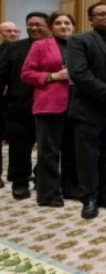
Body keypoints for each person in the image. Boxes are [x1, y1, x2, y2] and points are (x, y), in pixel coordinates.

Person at [67, 2, 106, 219]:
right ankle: (89, 198)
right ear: (91, 19)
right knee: (87, 157)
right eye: (101, 14)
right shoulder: (80, 40)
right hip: (88, 109)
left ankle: (105, 194)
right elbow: (80, 74)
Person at [20, 11, 79, 207]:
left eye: (68, 23)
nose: (64, 26)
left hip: (77, 105)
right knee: (49, 152)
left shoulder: (78, 46)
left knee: (72, 150)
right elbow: (26, 74)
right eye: (59, 23)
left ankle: (70, 188)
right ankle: (48, 194)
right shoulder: (40, 45)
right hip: (50, 104)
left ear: (74, 27)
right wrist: (54, 76)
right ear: (51, 27)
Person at [0, 12, 50, 199]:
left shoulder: (57, 46)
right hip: (19, 106)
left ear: (48, 26)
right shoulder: (13, 48)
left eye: (38, 24)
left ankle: (41, 177)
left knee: (48, 147)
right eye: (30, 25)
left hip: (49, 105)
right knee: (19, 147)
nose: (33, 28)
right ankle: (20, 182)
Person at [0, 20, 21, 188]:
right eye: (8, 31)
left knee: (17, 141)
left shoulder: (25, 50)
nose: (12, 34)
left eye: (15, 31)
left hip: (16, 104)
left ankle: (18, 174)